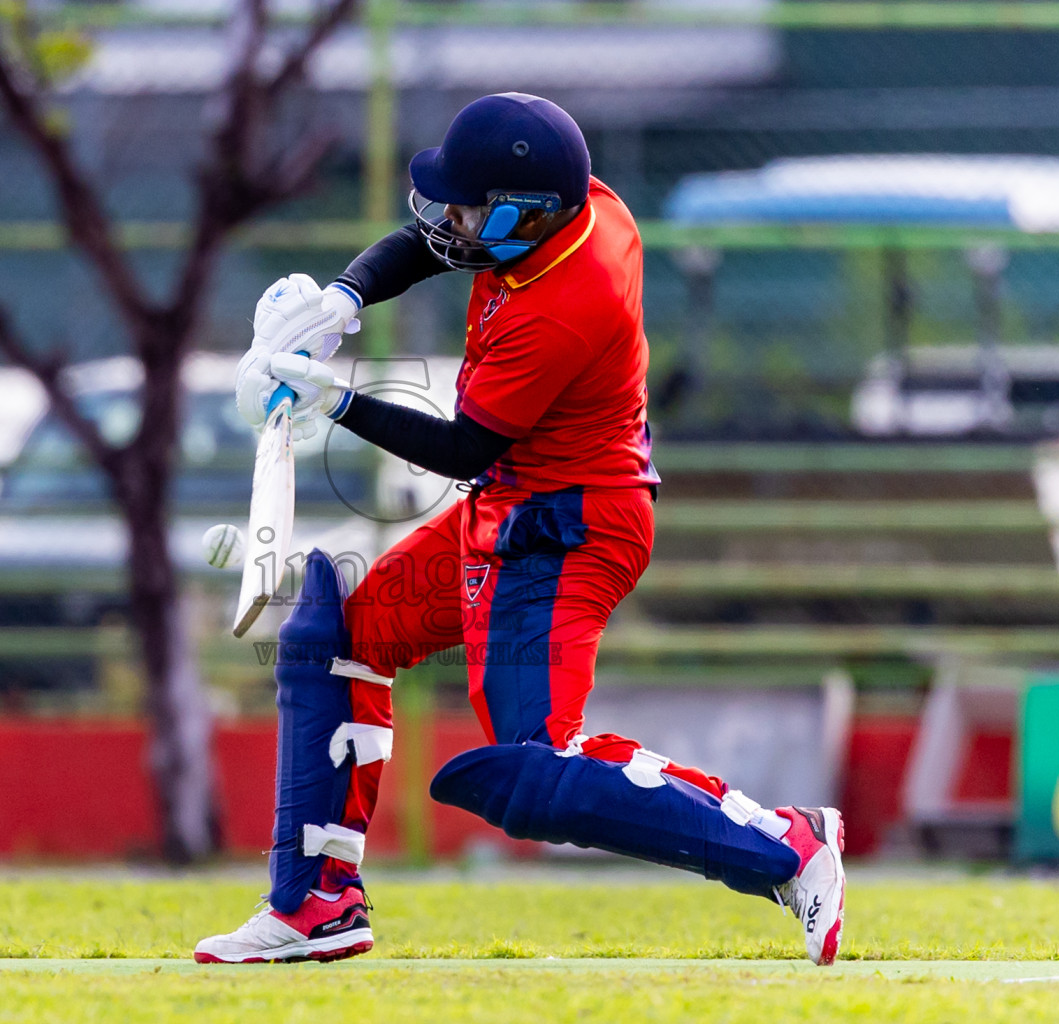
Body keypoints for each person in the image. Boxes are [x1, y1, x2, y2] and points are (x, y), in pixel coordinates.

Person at [196, 93, 845, 966]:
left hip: (565, 529)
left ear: (526, 214)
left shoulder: (566, 302)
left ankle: (786, 847)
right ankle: (314, 903)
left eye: (467, 207)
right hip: (516, 501)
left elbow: (462, 447)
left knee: (539, 768)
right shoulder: (568, 208)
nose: (447, 221)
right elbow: (425, 249)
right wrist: (343, 299)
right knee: (335, 631)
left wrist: (338, 400)